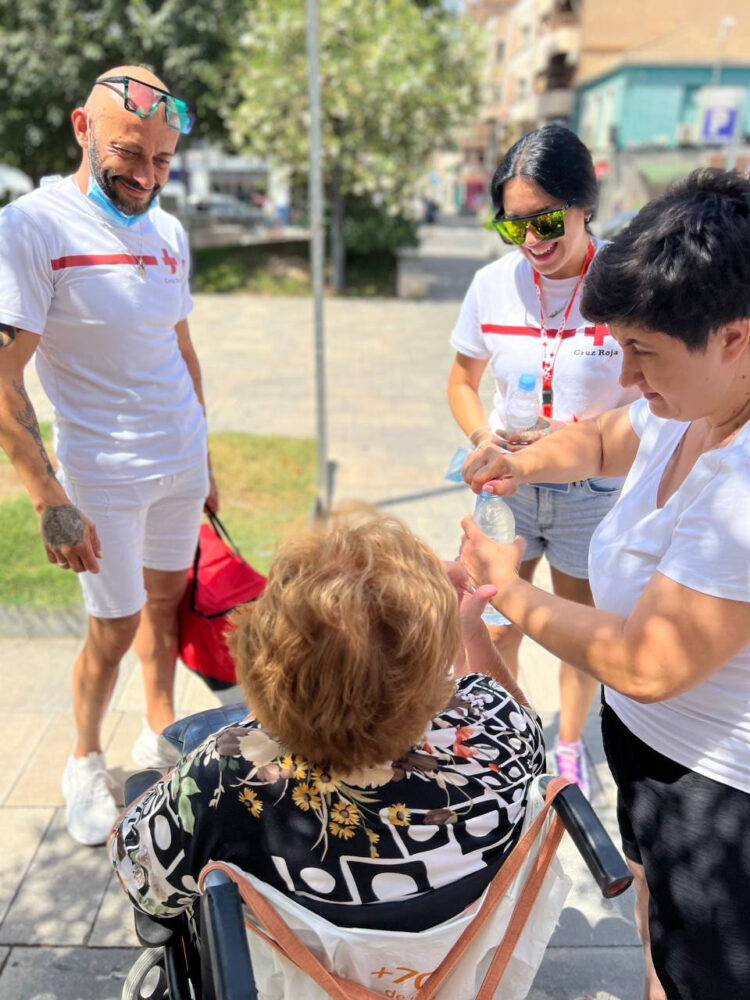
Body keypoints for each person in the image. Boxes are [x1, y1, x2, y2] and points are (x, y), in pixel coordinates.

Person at [459, 168, 750, 1000]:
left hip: (720, 797)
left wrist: (503, 588)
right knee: (662, 948)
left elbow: (649, 662)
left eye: (644, 354)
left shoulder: (742, 483)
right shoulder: (687, 403)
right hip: (655, 759)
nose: (626, 376)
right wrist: (519, 461)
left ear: (734, 336)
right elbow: (594, 442)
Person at [110, 509, 545, 941]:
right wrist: (471, 633)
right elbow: (524, 729)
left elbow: (141, 878)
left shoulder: (224, 778)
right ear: (433, 688)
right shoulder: (493, 735)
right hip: (455, 971)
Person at [0, 65, 217, 846]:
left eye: (162, 160)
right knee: (115, 628)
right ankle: (83, 759)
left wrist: (207, 457)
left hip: (179, 462)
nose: (146, 175)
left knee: (167, 607)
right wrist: (47, 496)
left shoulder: (168, 231)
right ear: (82, 128)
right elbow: (2, 375)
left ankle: (157, 731)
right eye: (131, 152)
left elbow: (180, 348)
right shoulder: (32, 226)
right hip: (101, 477)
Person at [447, 125, 637, 796]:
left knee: (575, 629)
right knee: (493, 618)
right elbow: (461, 382)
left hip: (596, 488)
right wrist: (481, 441)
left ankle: (564, 747)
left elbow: (656, 394)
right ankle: (503, 739)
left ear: (587, 204)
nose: (532, 239)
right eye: (513, 225)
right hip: (506, 483)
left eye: (547, 220)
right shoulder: (493, 286)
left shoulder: (627, 282)